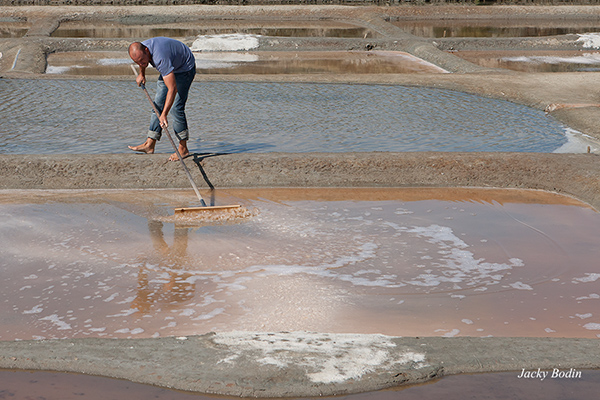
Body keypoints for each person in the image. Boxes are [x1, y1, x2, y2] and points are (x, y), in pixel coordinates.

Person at [128, 37, 196, 161]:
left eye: (143, 60)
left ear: (147, 51)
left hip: (185, 68)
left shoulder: (160, 58)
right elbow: (142, 61)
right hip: (171, 65)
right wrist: (142, 74)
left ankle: (183, 148)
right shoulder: (143, 53)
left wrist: (164, 114)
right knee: (157, 105)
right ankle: (150, 144)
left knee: (176, 108)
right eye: (137, 62)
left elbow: (172, 89)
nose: (141, 64)